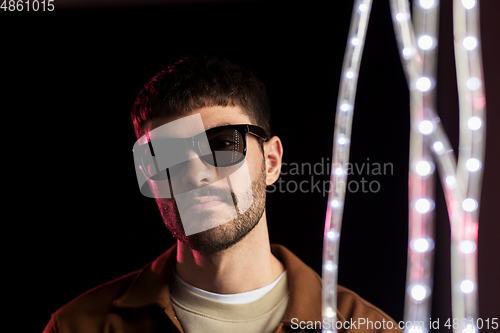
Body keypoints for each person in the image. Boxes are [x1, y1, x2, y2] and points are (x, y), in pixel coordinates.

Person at [43, 56, 403, 333]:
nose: (196, 174)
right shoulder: (78, 326)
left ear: (272, 162)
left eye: (222, 145)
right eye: (166, 154)